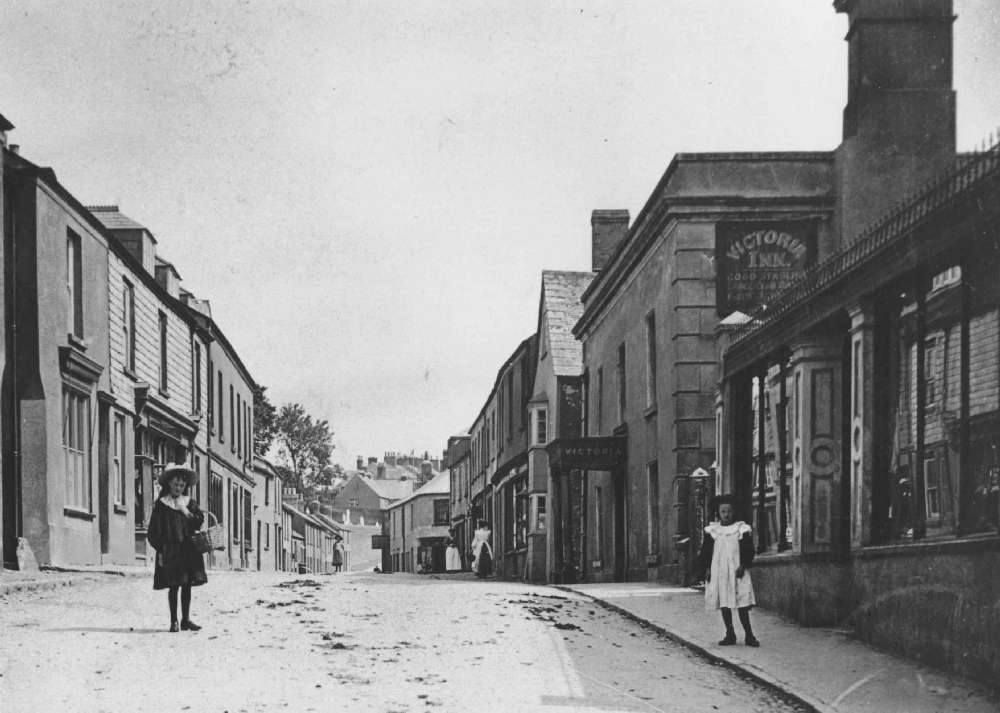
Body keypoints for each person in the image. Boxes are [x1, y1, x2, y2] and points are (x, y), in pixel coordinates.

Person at [146, 464, 208, 633]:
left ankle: (185, 620)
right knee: (174, 586)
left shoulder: (189, 503)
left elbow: (198, 522)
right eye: (175, 484)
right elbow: (153, 532)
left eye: (182, 485)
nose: (178, 488)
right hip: (171, 551)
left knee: (187, 585)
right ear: (169, 484)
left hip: (189, 550)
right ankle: (174, 621)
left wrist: (186, 511)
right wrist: (160, 550)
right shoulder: (161, 505)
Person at [696, 494, 759, 647]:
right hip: (720, 571)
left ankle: (749, 635)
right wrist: (707, 569)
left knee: (742, 602)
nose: (726, 514)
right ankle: (730, 633)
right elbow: (706, 552)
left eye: (729, 511)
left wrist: (743, 565)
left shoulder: (741, 529)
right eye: (723, 511)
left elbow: (748, 550)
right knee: (724, 602)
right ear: (719, 513)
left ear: (734, 512)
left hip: (737, 570)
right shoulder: (713, 531)